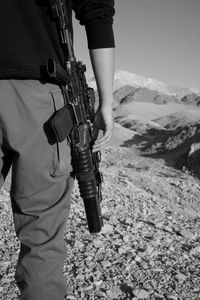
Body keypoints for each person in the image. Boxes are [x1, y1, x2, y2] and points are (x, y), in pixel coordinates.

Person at [0, 1, 115, 299]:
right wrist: (106, 102)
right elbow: (97, 12)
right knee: (42, 241)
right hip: (39, 93)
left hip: (40, 91)